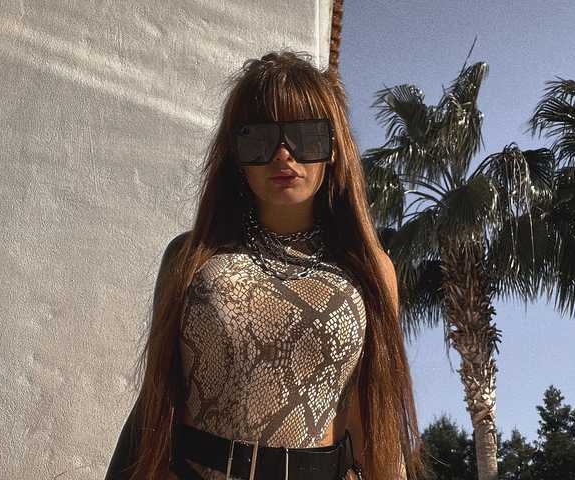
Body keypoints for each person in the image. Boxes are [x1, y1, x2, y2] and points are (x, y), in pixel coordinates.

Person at [104, 49, 426, 480]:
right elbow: (154, 403)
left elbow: (374, 421)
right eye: (259, 138)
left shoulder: (371, 271)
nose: (283, 154)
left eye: (306, 136)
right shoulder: (190, 257)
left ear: (334, 148)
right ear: (235, 155)